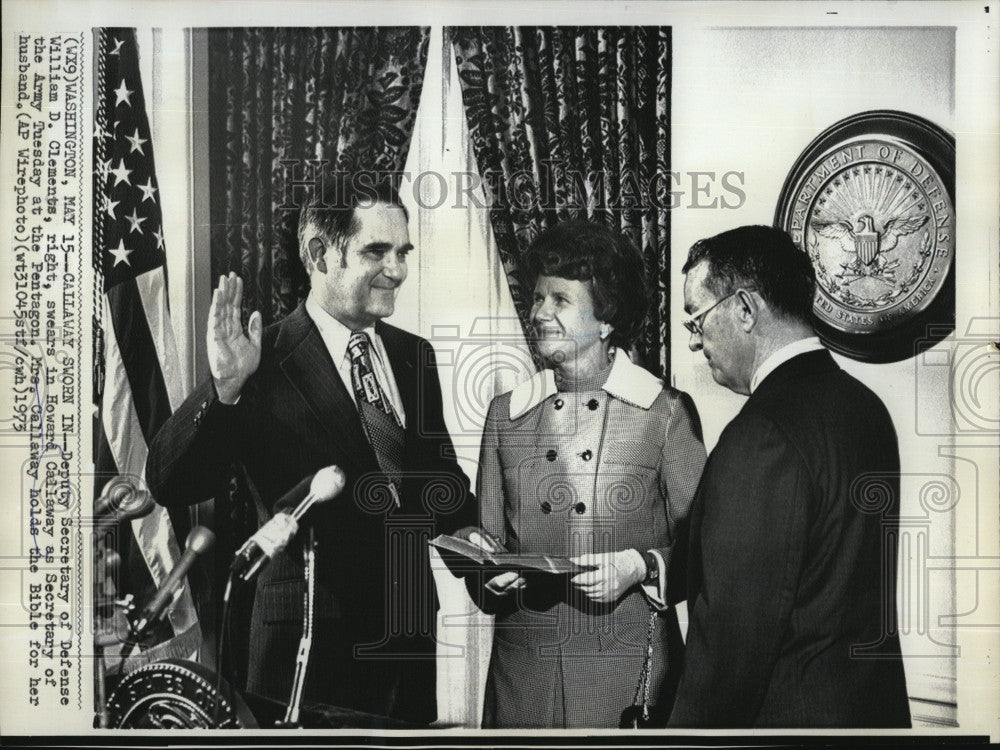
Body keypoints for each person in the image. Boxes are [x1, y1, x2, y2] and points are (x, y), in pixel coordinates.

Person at [145, 180, 476, 725]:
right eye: (377, 251)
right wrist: (225, 389)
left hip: (409, 651)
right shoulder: (261, 358)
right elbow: (169, 481)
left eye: (403, 253)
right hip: (304, 661)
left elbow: (437, 481)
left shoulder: (414, 355)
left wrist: (476, 541)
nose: (397, 270)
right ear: (320, 253)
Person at [667, 225, 911, 728]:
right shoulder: (867, 408)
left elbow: (731, 647)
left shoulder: (761, 435)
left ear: (744, 309)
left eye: (697, 320)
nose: (695, 343)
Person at [470, 220, 707, 728]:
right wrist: (487, 572)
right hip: (523, 673)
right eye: (537, 298)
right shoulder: (505, 414)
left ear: (606, 319)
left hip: (625, 672)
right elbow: (485, 539)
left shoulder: (661, 413)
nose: (539, 314)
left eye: (560, 300)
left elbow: (706, 548)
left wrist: (638, 567)